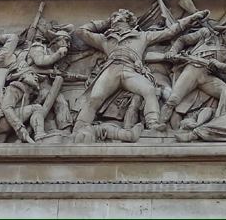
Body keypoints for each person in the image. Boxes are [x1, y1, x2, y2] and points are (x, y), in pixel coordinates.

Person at [73, 8, 207, 134]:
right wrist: (105, 22)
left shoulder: (143, 36)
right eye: (112, 17)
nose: (113, 19)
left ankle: (153, 123)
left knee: (149, 90)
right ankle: (80, 127)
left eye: (117, 16)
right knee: (95, 98)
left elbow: (170, 32)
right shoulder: (104, 39)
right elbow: (80, 32)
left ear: (127, 19)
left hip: (131, 70)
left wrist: (191, 18)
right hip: (111, 69)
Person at [159, 14, 226, 125]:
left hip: (207, 77)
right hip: (193, 69)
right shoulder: (206, 34)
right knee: (173, 100)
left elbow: (225, 76)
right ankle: (158, 125)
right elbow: (183, 40)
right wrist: (172, 52)